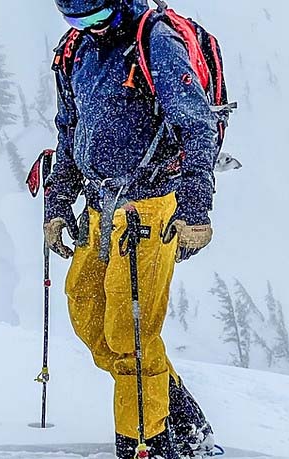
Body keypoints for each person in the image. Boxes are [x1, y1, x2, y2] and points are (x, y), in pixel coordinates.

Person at [44, 0, 218, 458]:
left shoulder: (155, 40)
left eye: (98, 19)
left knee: (129, 334)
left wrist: (196, 210)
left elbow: (196, 125)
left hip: (148, 207)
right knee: (87, 314)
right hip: (99, 206)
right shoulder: (74, 52)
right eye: (78, 21)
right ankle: (181, 419)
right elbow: (69, 131)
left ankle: (145, 442)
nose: (91, 29)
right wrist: (58, 202)